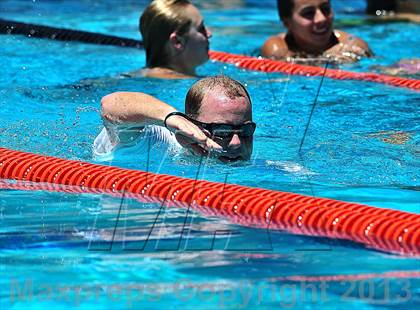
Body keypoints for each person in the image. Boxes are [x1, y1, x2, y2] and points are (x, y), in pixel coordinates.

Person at [93, 75, 256, 163]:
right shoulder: (156, 142)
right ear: (191, 125)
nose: (237, 143)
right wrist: (174, 119)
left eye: (246, 131)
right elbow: (110, 104)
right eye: (222, 131)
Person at [261, 0, 373, 63]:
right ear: (287, 23)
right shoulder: (277, 46)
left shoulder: (353, 45)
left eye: (325, 9)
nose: (322, 19)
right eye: (308, 13)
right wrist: (327, 59)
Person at [134, 0, 212, 79]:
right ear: (177, 41)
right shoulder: (192, 84)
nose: (209, 34)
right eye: (201, 28)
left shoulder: (132, 76)